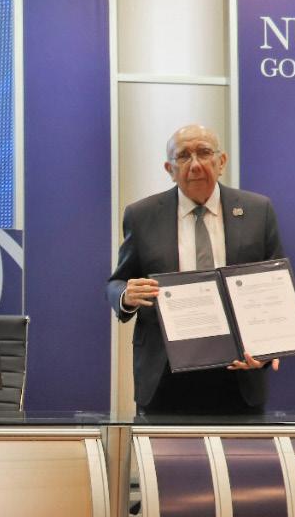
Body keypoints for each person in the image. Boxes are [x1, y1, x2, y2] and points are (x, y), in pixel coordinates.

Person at [107, 124, 283, 415]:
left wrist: (271, 346)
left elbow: (276, 286)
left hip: (239, 371)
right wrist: (126, 294)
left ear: (221, 161)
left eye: (204, 152)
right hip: (165, 375)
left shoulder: (257, 210)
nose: (195, 164)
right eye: (183, 156)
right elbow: (116, 282)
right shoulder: (142, 215)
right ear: (170, 169)